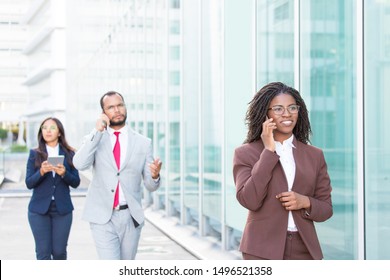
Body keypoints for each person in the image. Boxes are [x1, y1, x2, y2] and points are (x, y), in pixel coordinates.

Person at [233, 82, 333, 260]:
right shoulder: (245, 153)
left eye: (292, 107)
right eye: (278, 109)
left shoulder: (314, 155)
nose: (287, 114)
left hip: (305, 250)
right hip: (261, 250)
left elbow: (326, 209)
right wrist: (268, 151)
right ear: (266, 113)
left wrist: (305, 202)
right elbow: (249, 200)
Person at [73, 91, 162, 260]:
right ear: (103, 113)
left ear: (125, 107)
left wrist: (155, 176)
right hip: (102, 217)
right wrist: (97, 130)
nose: (117, 110)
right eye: (111, 107)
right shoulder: (94, 138)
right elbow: (79, 164)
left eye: (120, 105)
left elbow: (151, 185)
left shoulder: (143, 143)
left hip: (130, 217)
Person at [26, 117, 81, 260]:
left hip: (62, 209)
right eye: (44, 128)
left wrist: (64, 174)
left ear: (59, 133)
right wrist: (41, 172)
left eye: (52, 128)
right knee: (43, 253)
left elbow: (76, 182)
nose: (47, 131)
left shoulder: (70, 153)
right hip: (38, 210)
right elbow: (29, 183)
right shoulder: (35, 154)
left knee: (59, 252)